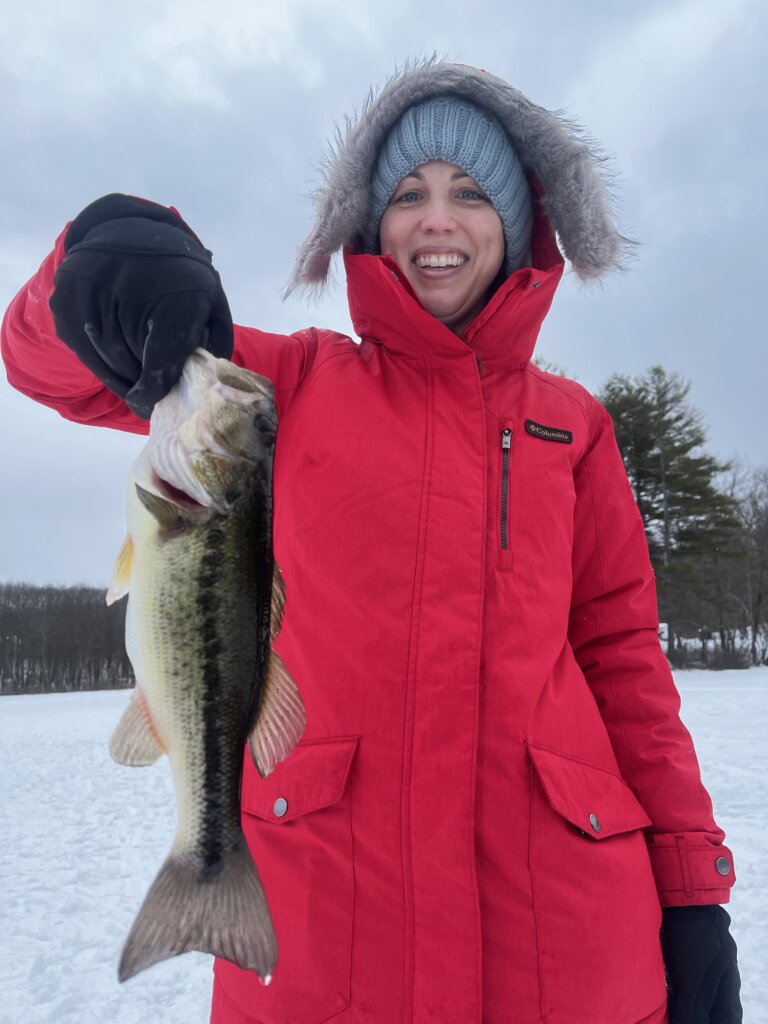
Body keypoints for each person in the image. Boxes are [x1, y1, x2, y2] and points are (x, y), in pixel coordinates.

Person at [1, 59, 742, 1024]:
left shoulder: (577, 427)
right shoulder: (280, 387)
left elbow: (625, 664)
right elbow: (50, 367)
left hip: (572, 948)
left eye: (471, 193)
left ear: (519, 225)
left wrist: (691, 892)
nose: (437, 220)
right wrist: (102, 252)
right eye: (407, 194)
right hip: (322, 951)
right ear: (369, 226)